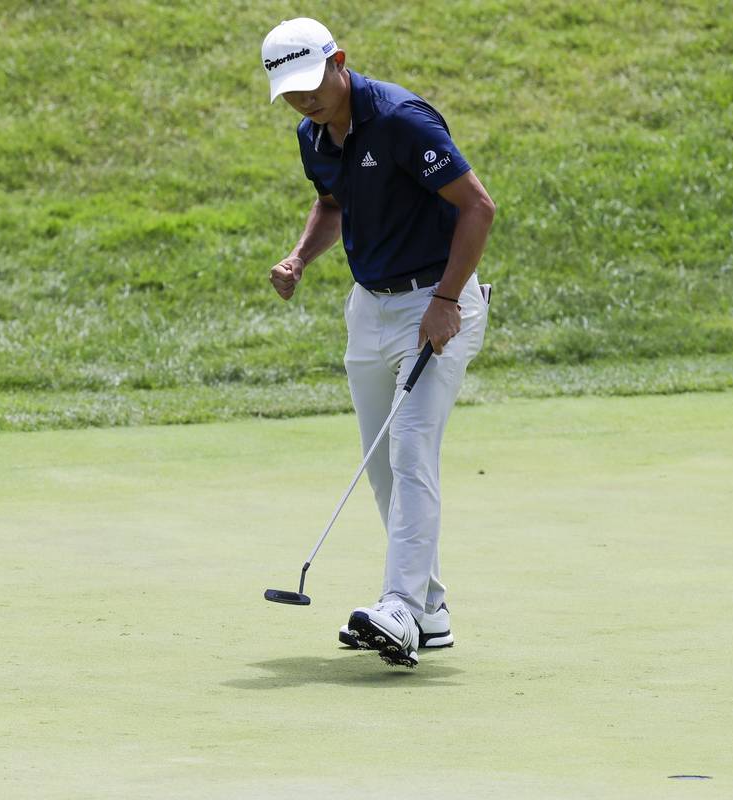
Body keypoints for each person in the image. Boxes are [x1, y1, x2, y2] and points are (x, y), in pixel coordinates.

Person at [261, 18, 495, 668]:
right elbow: (333, 203)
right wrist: (300, 259)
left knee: (412, 447)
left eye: (312, 83)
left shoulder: (401, 120)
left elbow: (478, 206)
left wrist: (448, 301)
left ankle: (397, 606)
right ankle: (430, 611)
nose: (304, 99)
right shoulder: (313, 136)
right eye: (290, 91)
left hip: (435, 299)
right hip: (370, 308)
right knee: (382, 463)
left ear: (339, 61)